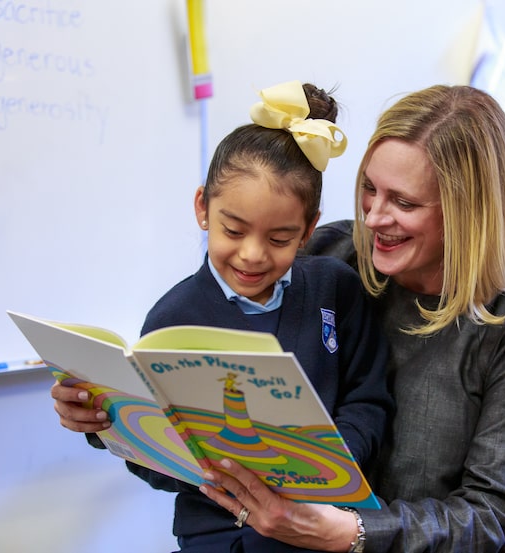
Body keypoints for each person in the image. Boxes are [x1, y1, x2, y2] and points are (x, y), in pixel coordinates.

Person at [195, 84, 505, 553]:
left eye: (404, 202)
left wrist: (352, 533)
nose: (373, 218)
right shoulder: (327, 259)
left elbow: (495, 518)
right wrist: (108, 418)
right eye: (368, 189)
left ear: (467, 213)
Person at [50, 80, 394, 552]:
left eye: (279, 239)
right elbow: (158, 459)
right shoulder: (174, 318)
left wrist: (330, 463)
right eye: (234, 229)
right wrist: (107, 422)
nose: (252, 255)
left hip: (325, 526)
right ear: (203, 209)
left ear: (309, 229)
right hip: (219, 535)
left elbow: (369, 399)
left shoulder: (336, 289)